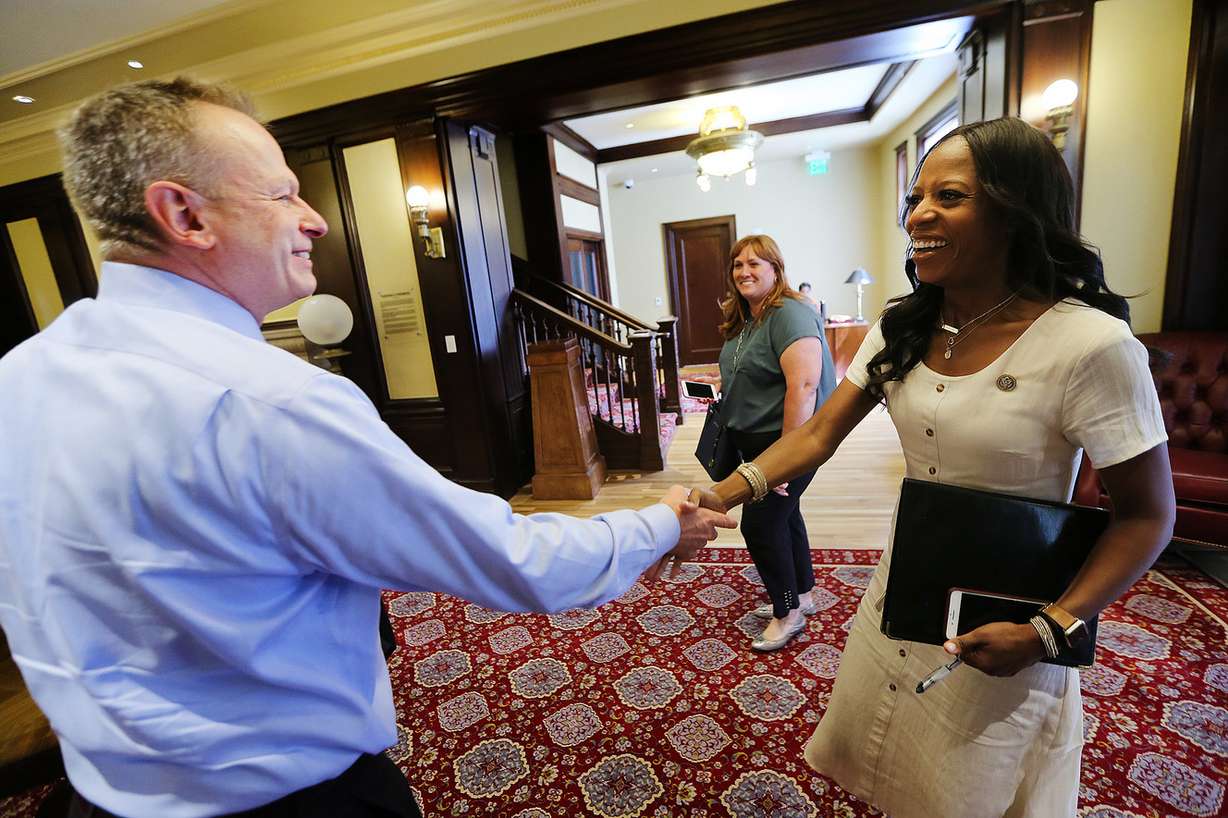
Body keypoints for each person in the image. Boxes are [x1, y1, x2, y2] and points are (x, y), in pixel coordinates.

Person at [0, 78, 734, 818]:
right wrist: (661, 523)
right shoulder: (271, 402)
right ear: (184, 214)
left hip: (97, 797)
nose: (315, 220)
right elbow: (515, 562)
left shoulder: (17, 377)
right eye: (283, 194)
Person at [694, 118, 1174, 816]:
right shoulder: (903, 324)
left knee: (970, 784)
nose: (918, 214)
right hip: (904, 588)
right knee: (898, 765)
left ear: (1016, 209)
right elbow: (822, 432)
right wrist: (723, 494)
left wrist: (1050, 628)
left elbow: (1148, 516)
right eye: (915, 198)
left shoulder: (1089, 344)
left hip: (1014, 617)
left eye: (948, 196)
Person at [699, 236, 836, 651]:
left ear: (776, 268)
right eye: (737, 264)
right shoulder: (748, 317)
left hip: (788, 441)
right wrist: (722, 383)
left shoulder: (789, 313)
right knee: (785, 515)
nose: (744, 271)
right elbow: (755, 367)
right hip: (753, 440)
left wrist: (784, 461)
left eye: (755, 263)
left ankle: (788, 611)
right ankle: (805, 592)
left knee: (762, 525)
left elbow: (805, 386)